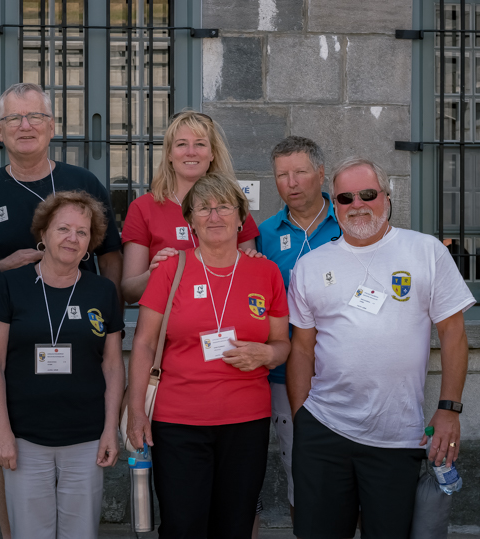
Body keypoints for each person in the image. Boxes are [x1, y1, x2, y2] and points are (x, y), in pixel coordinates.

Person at [0, 82, 124, 536]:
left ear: (52, 126)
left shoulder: (82, 183)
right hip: (3, 336)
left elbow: (110, 257)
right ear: (0, 129)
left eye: (34, 117)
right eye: (14, 118)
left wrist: (98, 312)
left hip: (76, 335)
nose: (25, 126)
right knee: (9, 453)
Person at [286, 157, 475, 539]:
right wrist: (302, 418)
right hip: (323, 431)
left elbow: (453, 334)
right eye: (345, 197)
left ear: (387, 198)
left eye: (367, 194)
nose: (357, 204)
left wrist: (449, 410)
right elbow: (302, 349)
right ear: (334, 205)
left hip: (397, 436)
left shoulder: (426, 252)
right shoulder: (309, 266)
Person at [127, 172, 290, 539]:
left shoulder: (266, 273)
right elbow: (144, 343)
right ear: (190, 221)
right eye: (204, 208)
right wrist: (137, 411)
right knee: (183, 525)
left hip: (246, 422)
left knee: (234, 524)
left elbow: (283, 345)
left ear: (240, 217)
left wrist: (266, 352)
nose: (214, 216)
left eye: (223, 207)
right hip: (178, 423)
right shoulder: (171, 269)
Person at [0, 191, 125, 539]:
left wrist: (110, 430)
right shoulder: (10, 286)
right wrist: (2, 432)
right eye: (63, 228)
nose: (72, 238)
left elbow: (112, 367)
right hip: (25, 437)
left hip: (86, 438)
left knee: (81, 533)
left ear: (91, 242)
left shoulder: (103, 292)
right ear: (43, 234)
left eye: (82, 231)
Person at [254, 136, 338, 531]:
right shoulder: (263, 235)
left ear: (321, 173)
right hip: (283, 374)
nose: (291, 182)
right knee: (299, 470)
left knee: (346, 474)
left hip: (344, 371)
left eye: (300, 172)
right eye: (282, 175)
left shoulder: (349, 224)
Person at [121, 110, 260, 305]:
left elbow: (251, 278)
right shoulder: (143, 208)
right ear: (169, 154)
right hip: (168, 327)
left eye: (200, 144)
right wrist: (154, 273)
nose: (191, 152)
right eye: (181, 144)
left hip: (225, 320)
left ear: (212, 154)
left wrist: (252, 262)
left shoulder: (234, 206)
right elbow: (129, 292)